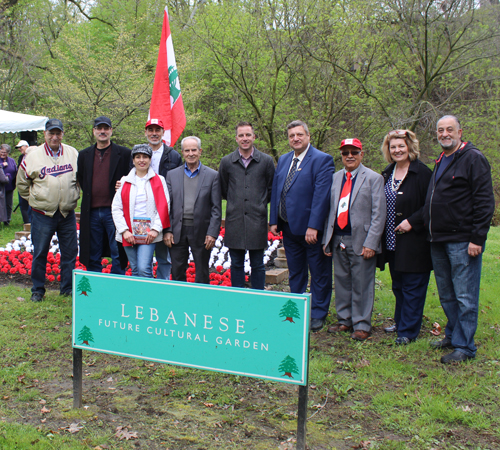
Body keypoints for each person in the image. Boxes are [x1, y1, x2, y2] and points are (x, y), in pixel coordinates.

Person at [424, 115, 495, 363]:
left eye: (449, 130)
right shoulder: (442, 159)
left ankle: (465, 347)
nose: (444, 134)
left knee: (465, 295)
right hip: (438, 239)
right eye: (440, 130)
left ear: (460, 132)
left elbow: (485, 201)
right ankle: (453, 335)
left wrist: (477, 237)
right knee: (446, 293)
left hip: (463, 240)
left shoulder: (473, 158)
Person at [270, 120, 334, 332]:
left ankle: (317, 313)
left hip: (310, 231)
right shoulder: (284, 159)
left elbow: (321, 196)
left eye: (299, 134)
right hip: (288, 228)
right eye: (291, 136)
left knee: (319, 273)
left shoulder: (322, 160)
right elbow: (277, 191)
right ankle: (295, 310)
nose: (295, 138)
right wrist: (274, 221)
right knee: (296, 272)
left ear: (308, 136)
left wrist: (313, 226)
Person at [323, 138, 386, 341]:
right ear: (341, 155)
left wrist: (371, 243)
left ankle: (361, 324)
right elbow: (330, 211)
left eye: (354, 152)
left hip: (362, 239)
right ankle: (344, 319)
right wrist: (328, 239)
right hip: (339, 237)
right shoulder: (335, 178)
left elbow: (379, 214)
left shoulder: (373, 178)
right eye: (345, 152)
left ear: (361, 154)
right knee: (341, 280)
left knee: (362, 283)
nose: (349, 156)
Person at [378, 130, 433, 345]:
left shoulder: (422, 173)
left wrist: (413, 221)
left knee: (413, 286)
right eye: (393, 147)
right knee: (398, 285)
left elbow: (430, 204)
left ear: (410, 147)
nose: (397, 150)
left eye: (401, 146)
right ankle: (401, 323)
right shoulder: (388, 172)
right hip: (393, 241)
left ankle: (409, 331)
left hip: (415, 240)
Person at [16, 119, 80, 302]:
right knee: (40, 252)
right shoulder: (33, 157)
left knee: (69, 252)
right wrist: (35, 200)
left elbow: (80, 177)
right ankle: (37, 290)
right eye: (51, 133)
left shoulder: (72, 153)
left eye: (57, 133)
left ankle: (67, 289)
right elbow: (22, 183)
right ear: (45, 134)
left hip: (67, 213)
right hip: (42, 214)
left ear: (62, 134)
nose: (54, 136)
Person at [219, 122, 275, 289]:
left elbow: (271, 189)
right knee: (236, 263)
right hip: (234, 221)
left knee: (257, 264)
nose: (245, 138)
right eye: (241, 135)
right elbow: (223, 189)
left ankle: (258, 299)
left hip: (257, 221)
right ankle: (238, 300)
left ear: (254, 137)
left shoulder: (266, 161)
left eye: (248, 135)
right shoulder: (227, 162)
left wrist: (258, 203)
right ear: (236, 138)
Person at [77, 116, 132, 274]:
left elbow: (131, 178)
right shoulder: (84, 155)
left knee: (117, 252)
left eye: (106, 128)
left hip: (114, 211)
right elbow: (81, 178)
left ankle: (116, 285)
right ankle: (96, 285)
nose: (102, 131)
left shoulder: (124, 153)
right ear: (94, 131)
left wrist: (123, 184)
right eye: (99, 128)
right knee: (93, 252)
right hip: (92, 211)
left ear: (111, 131)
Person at [164, 136, 221, 284]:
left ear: (200, 151)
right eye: (187, 150)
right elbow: (167, 206)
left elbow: (216, 208)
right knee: (177, 271)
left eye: (194, 150)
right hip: (177, 230)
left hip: (201, 232)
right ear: (182, 152)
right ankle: (179, 302)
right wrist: (168, 230)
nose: (190, 153)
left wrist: (212, 232)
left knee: (202, 271)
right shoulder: (172, 175)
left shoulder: (212, 176)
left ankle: (201, 303)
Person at [112, 144, 170, 278]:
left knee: (144, 268)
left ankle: (148, 298)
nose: (141, 160)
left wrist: (156, 229)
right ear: (133, 160)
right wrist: (124, 231)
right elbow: (116, 207)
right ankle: (138, 298)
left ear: (150, 160)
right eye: (138, 157)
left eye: (145, 157)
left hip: (149, 233)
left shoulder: (159, 180)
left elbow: (164, 206)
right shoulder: (125, 181)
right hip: (129, 232)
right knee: (135, 269)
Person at [143, 119, 182, 280]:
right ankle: (144, 289)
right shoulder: (139, 153)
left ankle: (162, 287)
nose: (154, 133)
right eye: (150, 130)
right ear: (145, 133)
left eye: (157, 130)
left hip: (165, 210)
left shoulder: (173, 156)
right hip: (143, 212)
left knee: (164, 256)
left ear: (162, 132)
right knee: (143, 258)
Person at [0, 144, 17, 225]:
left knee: (8, 204)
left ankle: (7, 221)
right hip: (1, 187)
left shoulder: (11, 160)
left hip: (10, 186)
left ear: (8, 153)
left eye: (5, 152)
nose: (3, 154)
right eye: (2, 152)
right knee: (0, 204)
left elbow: (15, 170)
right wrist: (2, 166)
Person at [15, 140, 31, 224]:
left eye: (21, 147)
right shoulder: (21, 158)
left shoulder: (33, 157)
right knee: (23, 204)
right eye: (18, 148)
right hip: (22, 184)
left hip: (30, 184)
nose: (19, 149)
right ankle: (26, 222)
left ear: (26, 146)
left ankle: (32, 221)